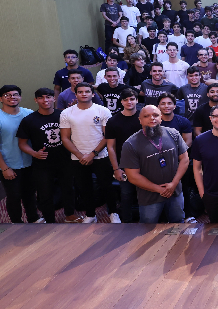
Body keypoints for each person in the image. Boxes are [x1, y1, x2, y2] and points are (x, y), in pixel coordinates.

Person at [119, 105, 189, 223]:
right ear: (140, 120)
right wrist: (158, 189)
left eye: (156, 115)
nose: (152, 118)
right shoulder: (130, 144)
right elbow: (133, 176)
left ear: (161, 118)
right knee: (148, 229)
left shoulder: (174, 133)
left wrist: (173, 183)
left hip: (175, 192)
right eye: (146, 116)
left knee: (178, 223)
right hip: (149, 197)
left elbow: (185, 159)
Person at [59, 83, 117, 223]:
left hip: (100, 156)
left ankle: (113, 213)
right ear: (76, 94)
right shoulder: (66, 113)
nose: (84, 94)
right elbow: (65, 138)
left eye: (87, 91)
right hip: (78, 158)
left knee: (107, 186)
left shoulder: (103, 111)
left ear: (93, 94)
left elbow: (107, 136)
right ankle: (90, 215)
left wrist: (92, 154)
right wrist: (80, 155)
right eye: (80, 92)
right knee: (84, 188)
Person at [0, 85, 39, 223]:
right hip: (9, 165)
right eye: (7, 95)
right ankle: (16, 223)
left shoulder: (29, 113)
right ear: (0, 98)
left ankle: (34, 219)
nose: (12, 97)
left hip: (29, 163)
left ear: (20, 97)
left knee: (30, 194)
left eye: (15, 94)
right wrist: (5, 168)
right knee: (14, 196)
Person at [16, 88, 74, 223]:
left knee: (68, 189)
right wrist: (34, 153)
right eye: (41, 98)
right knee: (45, 193)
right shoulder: (29, 120)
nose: (45, 100)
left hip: (65, 160)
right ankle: (49, 220)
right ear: (36, 100)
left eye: (48, 97)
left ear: (54, 98)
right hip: (42, 163)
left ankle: (70, 215)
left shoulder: (64, 115)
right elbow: (22, 143)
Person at [104, 88, 141, 223]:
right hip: (124, 165)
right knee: (126, 195)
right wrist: (116, 168)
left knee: (147, 195)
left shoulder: (145, 118)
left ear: (137, 100)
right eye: (125, 99)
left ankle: (148, 223)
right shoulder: (113, 121)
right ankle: (126, 224)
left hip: (145, 164)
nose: (129, 102)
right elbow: (110, 147)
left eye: (132, 99)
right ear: (121, 102)